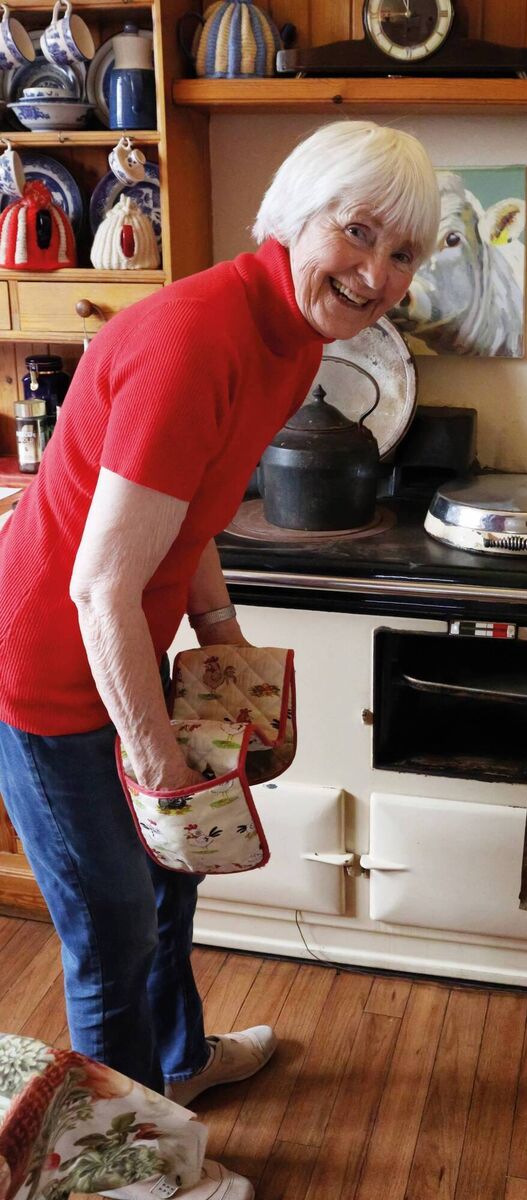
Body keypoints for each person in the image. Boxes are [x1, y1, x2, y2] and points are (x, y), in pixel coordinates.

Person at [0, 120, 440, 1200]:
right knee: (111, 926)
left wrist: (223, 639)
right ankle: (129, 1173)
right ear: (296, 214)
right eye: (356, 233)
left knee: (170, 881)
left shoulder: (292, 334)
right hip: (51, 668)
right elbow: (99, 584)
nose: (377, 275)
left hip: (126, 648)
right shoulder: (198, 338)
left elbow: (188, 518)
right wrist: (156, 753)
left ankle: (179, 1070)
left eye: (405, 254)